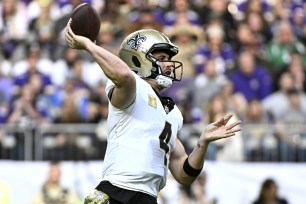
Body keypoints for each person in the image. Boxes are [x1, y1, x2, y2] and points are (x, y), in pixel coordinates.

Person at [65, 20, 241, 204]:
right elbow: (124, 75)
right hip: (118, 191)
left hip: (148, 197)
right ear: (138, 59)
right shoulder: (132, 87)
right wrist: (88, 45)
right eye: (162, 58)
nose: (169, 64)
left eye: (169, 59)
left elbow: (184, 174)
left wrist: (202, 143)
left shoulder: (172, 113)